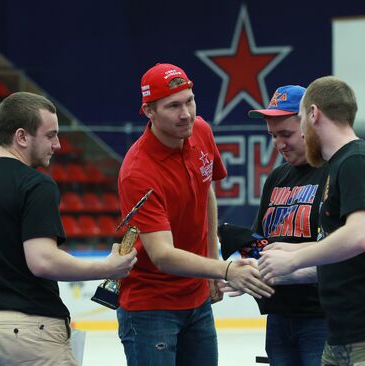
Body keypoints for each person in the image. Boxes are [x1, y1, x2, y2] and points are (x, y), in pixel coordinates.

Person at [117, 63, 274, 366]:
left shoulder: (200, 130)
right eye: (173, 106)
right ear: (149, 111)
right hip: (151, 307)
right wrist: (225, 271)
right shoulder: (137, 171)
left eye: (189, 100)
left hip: (196, 300)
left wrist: (212, 261)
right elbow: (162, 255)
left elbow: (206, 194)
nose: (186, 113)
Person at [258, 76, 365, 365]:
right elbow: (341, 241)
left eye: (298, 120)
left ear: (313, 114)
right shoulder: (345, 161)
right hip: (348, 329)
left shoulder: (356, 160)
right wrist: (288, 250)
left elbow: (360, 235)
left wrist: (294, 261)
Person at [0, 91, 138, 366]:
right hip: (26, 331)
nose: (58, 144)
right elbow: (43, 261)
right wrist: (108, 267)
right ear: (22, 137)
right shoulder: (37, 185)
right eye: (50, 135)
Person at [247, 85, 328, 366]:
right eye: (273, 136)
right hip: (279, 317)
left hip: (323, 317)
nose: (279, 144)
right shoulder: (277, 177)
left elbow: (343, 245)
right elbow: (262, 239)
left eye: (286, 134)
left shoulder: (336, 171)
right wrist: (247, 255)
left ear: (310, 124)